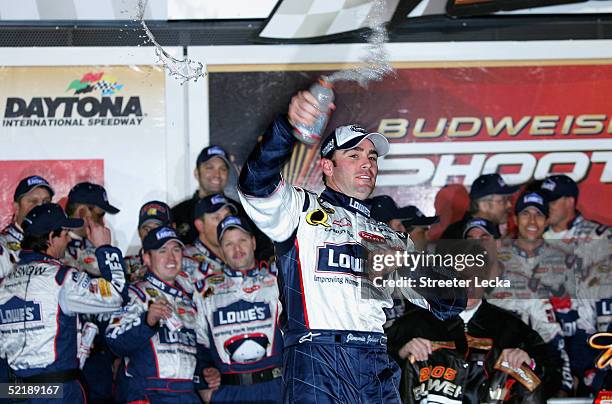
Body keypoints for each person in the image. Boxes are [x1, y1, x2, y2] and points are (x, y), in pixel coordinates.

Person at [237, 88, 464, 403]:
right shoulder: (301, 209)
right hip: (316, 357)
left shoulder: (391, 236)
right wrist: (286, 128)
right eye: (354, 155)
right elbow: (255, 182)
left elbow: (449, 304)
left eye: (372, 157)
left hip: (374, 361)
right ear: (328, 167)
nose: (367, 164)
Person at [0, 203, 127, 403]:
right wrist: (105, 248)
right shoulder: (61, 278)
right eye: (65, 233)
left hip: (15, 392)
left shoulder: (4, 283)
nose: (69, 238)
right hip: (57, 390)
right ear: (51, 237)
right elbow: (116, 295)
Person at [465, 203, 573, 395]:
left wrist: (562, 388)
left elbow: (553, 342)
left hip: (509, 388)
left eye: (484, 238)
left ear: (497, 243)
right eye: (470, 239)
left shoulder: (525, 286)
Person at [386, 298, 562, 403]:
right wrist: (400, 354)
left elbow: (555, 380)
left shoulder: (511, 326)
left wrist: (531, 364)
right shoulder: (413, 322)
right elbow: (367, 374)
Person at [105, 226, 207, 404]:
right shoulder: (135, 294)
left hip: (187, 393)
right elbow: (114, 341)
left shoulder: (189, 300)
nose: (171, 257)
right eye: (162, 251)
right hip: (150, 393)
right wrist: (147, 321)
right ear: (146, 257)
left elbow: (198, 351)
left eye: (176, 250)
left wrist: (207, 370)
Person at [197, 216, 282, 403]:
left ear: (253, 242)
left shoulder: (276, 281)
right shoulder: (205, 290)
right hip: (230, 392)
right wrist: (204, 384)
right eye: (229, 244)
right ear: (221, 250)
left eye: (242, 240)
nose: (237, 249)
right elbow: (198, 343)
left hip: (275, 388)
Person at [541, 174, 611, 334]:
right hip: (549, 330)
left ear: (570, 201)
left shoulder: (599, 236)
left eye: (552, 201)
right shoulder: (531, 237)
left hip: (590, 330)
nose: (546, 206)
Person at [172, 145, 237, 244]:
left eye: (222, 169)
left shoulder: (240, 212)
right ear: (196, 173)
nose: (217, 174)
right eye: (210, 168)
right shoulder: (177, 214)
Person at [63, 181, 121, 276]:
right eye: (99, 215)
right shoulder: (53, 242)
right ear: (82, 212)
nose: (103, 223)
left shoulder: (97, 242)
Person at [441, 173, 518, 239]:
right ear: (484, 205)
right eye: (503, 201)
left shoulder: (492, 228)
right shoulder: (457, 237)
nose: (509, 204)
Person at [0, 175, 54, 263]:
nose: (40, 207)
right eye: (33, 201)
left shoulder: (56, 241)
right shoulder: (3, 245)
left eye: (46, 202)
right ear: (16, 208)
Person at [182, 194, 236, 276]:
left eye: (227, 216)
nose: (225, 223)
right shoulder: (185, 261)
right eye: (217, 218)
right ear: (200, 225)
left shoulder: (241, 251)